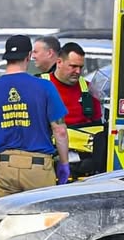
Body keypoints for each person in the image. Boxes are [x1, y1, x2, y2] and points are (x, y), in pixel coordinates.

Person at [0, 35, 70, 201]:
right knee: (42, 222)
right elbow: (60, 131)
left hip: (4, 169)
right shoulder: (45, 87)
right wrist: (64, 163)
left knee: (5, 222)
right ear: (29, 56)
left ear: (6, 58)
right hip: (39, 169)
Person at [42, 42, 107, 177]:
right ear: (59, 62)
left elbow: (98, 126)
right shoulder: (40, 85)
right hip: (50, 158)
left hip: (84, 164)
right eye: (73, 66)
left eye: (80, 67)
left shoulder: (88, 89)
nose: (78, 71)